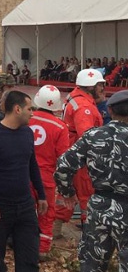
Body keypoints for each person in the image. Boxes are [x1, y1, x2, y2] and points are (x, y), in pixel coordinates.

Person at [0, 90, 47, 272]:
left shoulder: (27, 133)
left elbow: (32, 165)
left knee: (29, 260)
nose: (33, 113)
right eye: (30, 108)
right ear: (17, 109)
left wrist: (41, 195)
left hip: (25, 207)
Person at [55, 90, 128, 272]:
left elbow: (63, 165)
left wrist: (68, 192)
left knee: (92, 265)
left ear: (110, 110)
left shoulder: (94, 136)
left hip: (99, 208)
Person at [54, 69, 105, 236]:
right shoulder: (84, 107)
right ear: (91, 86)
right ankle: (90, 233)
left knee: (67, 194)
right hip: (83, 159)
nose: (102, 89)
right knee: (86, 194)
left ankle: (53, 231)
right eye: (100, 85)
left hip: (72, 154)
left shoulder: (77, 99)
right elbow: (88, 136)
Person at [28, 85, 69, 261]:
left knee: (24, 211)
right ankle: (42, 250)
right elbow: (63, 157)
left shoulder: (25, 119)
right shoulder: (60, 127)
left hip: (23, 174)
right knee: (46, 212)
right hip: (46, 177)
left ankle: (19, 244)